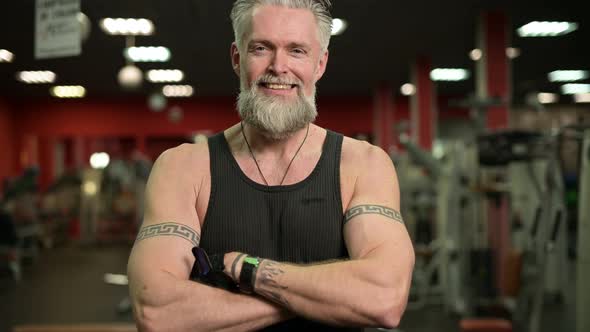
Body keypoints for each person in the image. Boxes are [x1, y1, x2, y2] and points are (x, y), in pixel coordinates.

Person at [127, 0, 415, 331]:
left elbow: (384, 299)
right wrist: (325, 299)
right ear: (237, 58)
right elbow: (156, 311)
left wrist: (248, 269)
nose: (278, 67)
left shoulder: (363, 164)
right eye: (262, 48)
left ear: (320, 64)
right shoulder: (182, 168)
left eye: (297, 51)